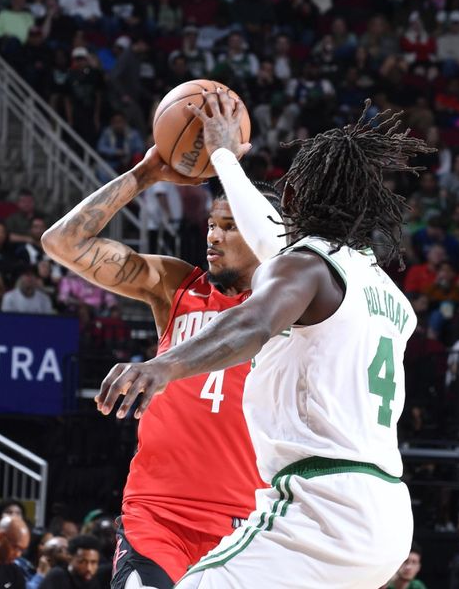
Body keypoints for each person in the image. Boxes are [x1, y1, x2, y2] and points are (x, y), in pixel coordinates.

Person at [94, 94, 432, 587]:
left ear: (293, 203)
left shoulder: (306, 267)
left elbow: (253, 324)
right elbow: (270, 242)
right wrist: (227, 159)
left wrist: (161, 367)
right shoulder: (384, 292)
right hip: (387, 517)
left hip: (322, 506)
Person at [42, 92, 282, 586]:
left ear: (263, 234)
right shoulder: (177, 286)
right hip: (157, 514)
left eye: (231, 227)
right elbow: (62, 244)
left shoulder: (290, 312)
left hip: (247, 524)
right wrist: (146, 173)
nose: (212, 237)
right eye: (211, 225)